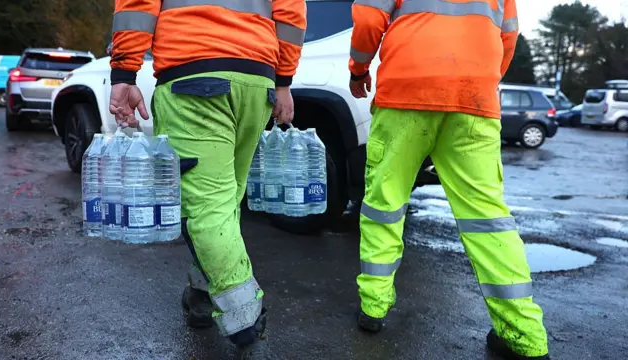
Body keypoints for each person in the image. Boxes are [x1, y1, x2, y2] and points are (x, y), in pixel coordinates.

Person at [348, 0, 551, 359]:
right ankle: (524, 334)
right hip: (474, 98)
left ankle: (373, 307)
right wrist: (478, 76)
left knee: (385, 202)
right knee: (488, 219)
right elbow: (508, 35)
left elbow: (367, 17)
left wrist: (359, 68)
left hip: (405, 92)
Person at [108, 0, 307, 358]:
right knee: (225, 202)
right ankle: (202, 295)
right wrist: (283, 80)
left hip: (194, 76)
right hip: (256, 80)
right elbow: (292, 12)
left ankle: (246, 321)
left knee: (205, 209)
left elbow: (137, 6)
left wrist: (124, 74)